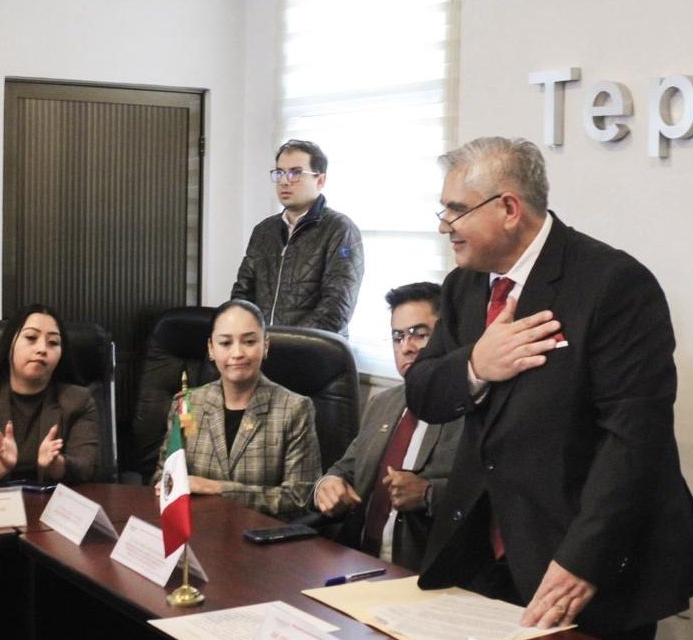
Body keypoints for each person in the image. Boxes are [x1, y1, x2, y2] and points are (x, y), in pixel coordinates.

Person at [405, 137, 693, 639]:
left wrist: (583, 561)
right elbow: (423, 392)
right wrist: (476, 364)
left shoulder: (614, 285)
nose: (444, 227)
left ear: (508, 208)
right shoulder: (464, 286)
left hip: (581, 563)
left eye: (456, 211)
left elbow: (634, 440)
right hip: (485, 554)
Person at [312, 282, 462, 570]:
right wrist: (327, 485)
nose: (407, 347)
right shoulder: (383, 403)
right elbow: (344, 469)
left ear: (448, 334)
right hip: (354, 564)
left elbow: (491, 502)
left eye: (420, 334)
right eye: (398, 337)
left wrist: (428, 494)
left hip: (421, 575)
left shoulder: (470, 411)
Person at [153, 299, 321, 519]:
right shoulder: (188, 405)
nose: (237, 353)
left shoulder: (294, 409)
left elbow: (299, 498)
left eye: (249, 342)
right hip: (199, 533)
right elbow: (164, 476)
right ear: (211, 349)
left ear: (266, 346)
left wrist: (218, 489)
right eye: (225, 343)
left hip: (261, 541)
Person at [0, 304, 101, 488]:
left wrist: (57, 465)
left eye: (53, 342)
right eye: (31, 338)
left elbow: (86, 468)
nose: (42, 349)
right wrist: (1, 465)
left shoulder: (78, 400)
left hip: (53, 504)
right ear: (9, 344)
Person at [231, 139, 364, 336]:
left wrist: (285, 342)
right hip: (261, 350)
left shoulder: (340, 229)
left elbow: (336, 308)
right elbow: (242, 295)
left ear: (320, 181)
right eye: (279, 173)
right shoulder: (264, 231)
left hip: (315, 352)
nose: (284, 181)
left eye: (295, 173)